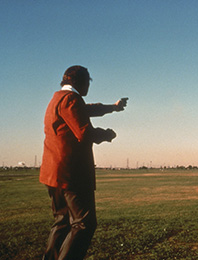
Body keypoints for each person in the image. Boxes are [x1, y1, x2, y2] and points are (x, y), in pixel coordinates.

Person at [40, 65, 128, 260]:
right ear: (80, 81)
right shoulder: (71, 100)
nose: (89, 85)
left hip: (53, 174)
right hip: (72, 175)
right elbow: (85, 133)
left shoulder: (58, 98)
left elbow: (86, 109)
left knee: (62, 222)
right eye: (89, 81)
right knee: (84, 224)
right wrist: (107, 134)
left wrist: (113, 107)